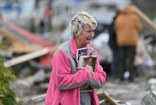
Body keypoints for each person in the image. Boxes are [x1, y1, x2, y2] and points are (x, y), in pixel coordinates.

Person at [45, 11, 106, 105]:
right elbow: (62, 83)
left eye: (93, 31)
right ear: (76, 33)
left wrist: (88, 75)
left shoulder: (91, 53)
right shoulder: (63, 52)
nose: (92, 35)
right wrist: (85, 74)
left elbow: (101, 80)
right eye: (88, 31)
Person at [115, 6, 142, 82]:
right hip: (132, 41)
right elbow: (139, 27)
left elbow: (116, 28)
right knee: (131, 60)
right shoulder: (134, 17)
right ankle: (131, 78)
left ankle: (121, 77)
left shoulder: (120, 17)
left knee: (122, 59)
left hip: (122, 41)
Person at [108, 9, 120, 80]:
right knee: (116, 59)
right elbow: (113, 32)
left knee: (116, 59)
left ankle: (115, 75)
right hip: (114, 43)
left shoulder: (114, 22)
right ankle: (115, 75)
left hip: (114, 43)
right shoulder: (115, 23)